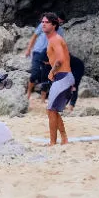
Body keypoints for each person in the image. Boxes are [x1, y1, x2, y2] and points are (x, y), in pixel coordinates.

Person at [42, 13, 74, 145]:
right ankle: (64, 139)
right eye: (42, 22)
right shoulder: (54, 39)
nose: (43, 24)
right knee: (53, 110)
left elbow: (60, 59)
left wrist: (52, 71)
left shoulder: (55, 39)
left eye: (46, 22)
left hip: (63, 77)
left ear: (54, 25)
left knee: (51, 110)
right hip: (64, 78)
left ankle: (52, 142)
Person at [24, 12, 64, 103]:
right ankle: (28, 93)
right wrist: (28, 49)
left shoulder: (60, 31)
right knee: (35, 73)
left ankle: (42, 99)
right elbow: (34, 36)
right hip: (37, 51)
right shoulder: (43, 26)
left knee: (46, 76)